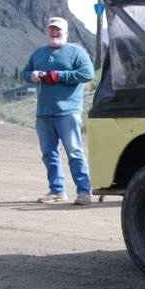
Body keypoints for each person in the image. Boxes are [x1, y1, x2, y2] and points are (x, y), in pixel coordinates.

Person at [22, 17, 95, 205]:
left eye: (58, 30)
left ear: (66, 33)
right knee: (49, 154)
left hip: (68, 113)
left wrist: (58, 76)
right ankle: (57, 191)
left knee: (74, 152)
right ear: (47, 31)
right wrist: (32, 76)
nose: (54, 33)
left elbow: (88, 74)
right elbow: (25, 73)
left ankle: (84, 192)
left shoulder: (76, 52)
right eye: (51, 29)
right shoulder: (38, 53)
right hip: (43, 114)